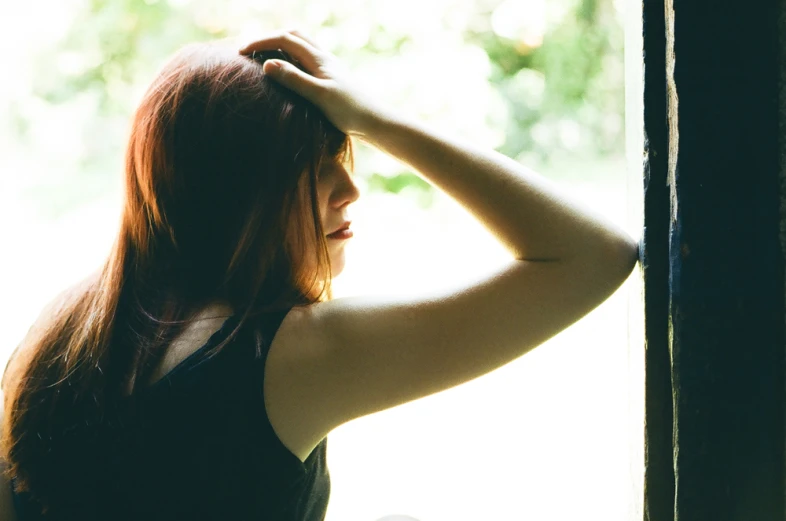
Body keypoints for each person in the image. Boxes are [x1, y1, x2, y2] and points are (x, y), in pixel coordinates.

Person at [0, 29, 639, 521]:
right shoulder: (282, 354)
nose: (351, 190)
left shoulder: (58, 335)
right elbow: (592, 255)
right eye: (315, 166)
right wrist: (379, 119)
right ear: (235, 190)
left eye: (345, 153)